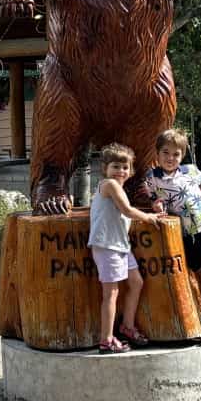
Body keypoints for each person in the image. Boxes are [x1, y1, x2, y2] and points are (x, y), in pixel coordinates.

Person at [146, 129, 201, 344]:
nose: (170, 158)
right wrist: (157, 205)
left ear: (182, 155)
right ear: (157, 154)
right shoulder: (152, 178)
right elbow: (154, 199)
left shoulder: (189, 170)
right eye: (166, 153)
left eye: (176, 154)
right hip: (187, 234)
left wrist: (199, 200)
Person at [88, 143, 165, 353]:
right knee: (111, 293)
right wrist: (149, 217)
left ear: (131, 170)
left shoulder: (119, 188)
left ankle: (127, 326)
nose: (120, 171)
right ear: (105, 168)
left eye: (125, 167)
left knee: (136, 282)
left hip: (121, 246)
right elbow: (127, 210)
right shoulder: (109, 185)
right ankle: (106, 339)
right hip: (106, 246)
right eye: (115, 166)